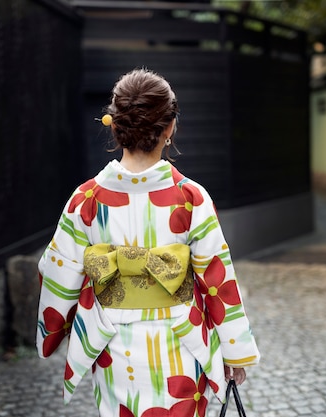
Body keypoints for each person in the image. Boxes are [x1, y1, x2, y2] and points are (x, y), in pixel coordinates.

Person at [36, 68, 260, 417]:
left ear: (114, 124)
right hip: (182, 344)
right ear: (170, 128)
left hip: (111, 346)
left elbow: (57, 271)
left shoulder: (86, 199)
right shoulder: (190, 198)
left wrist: (55, 332)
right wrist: (234, 351)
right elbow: (218, 278)